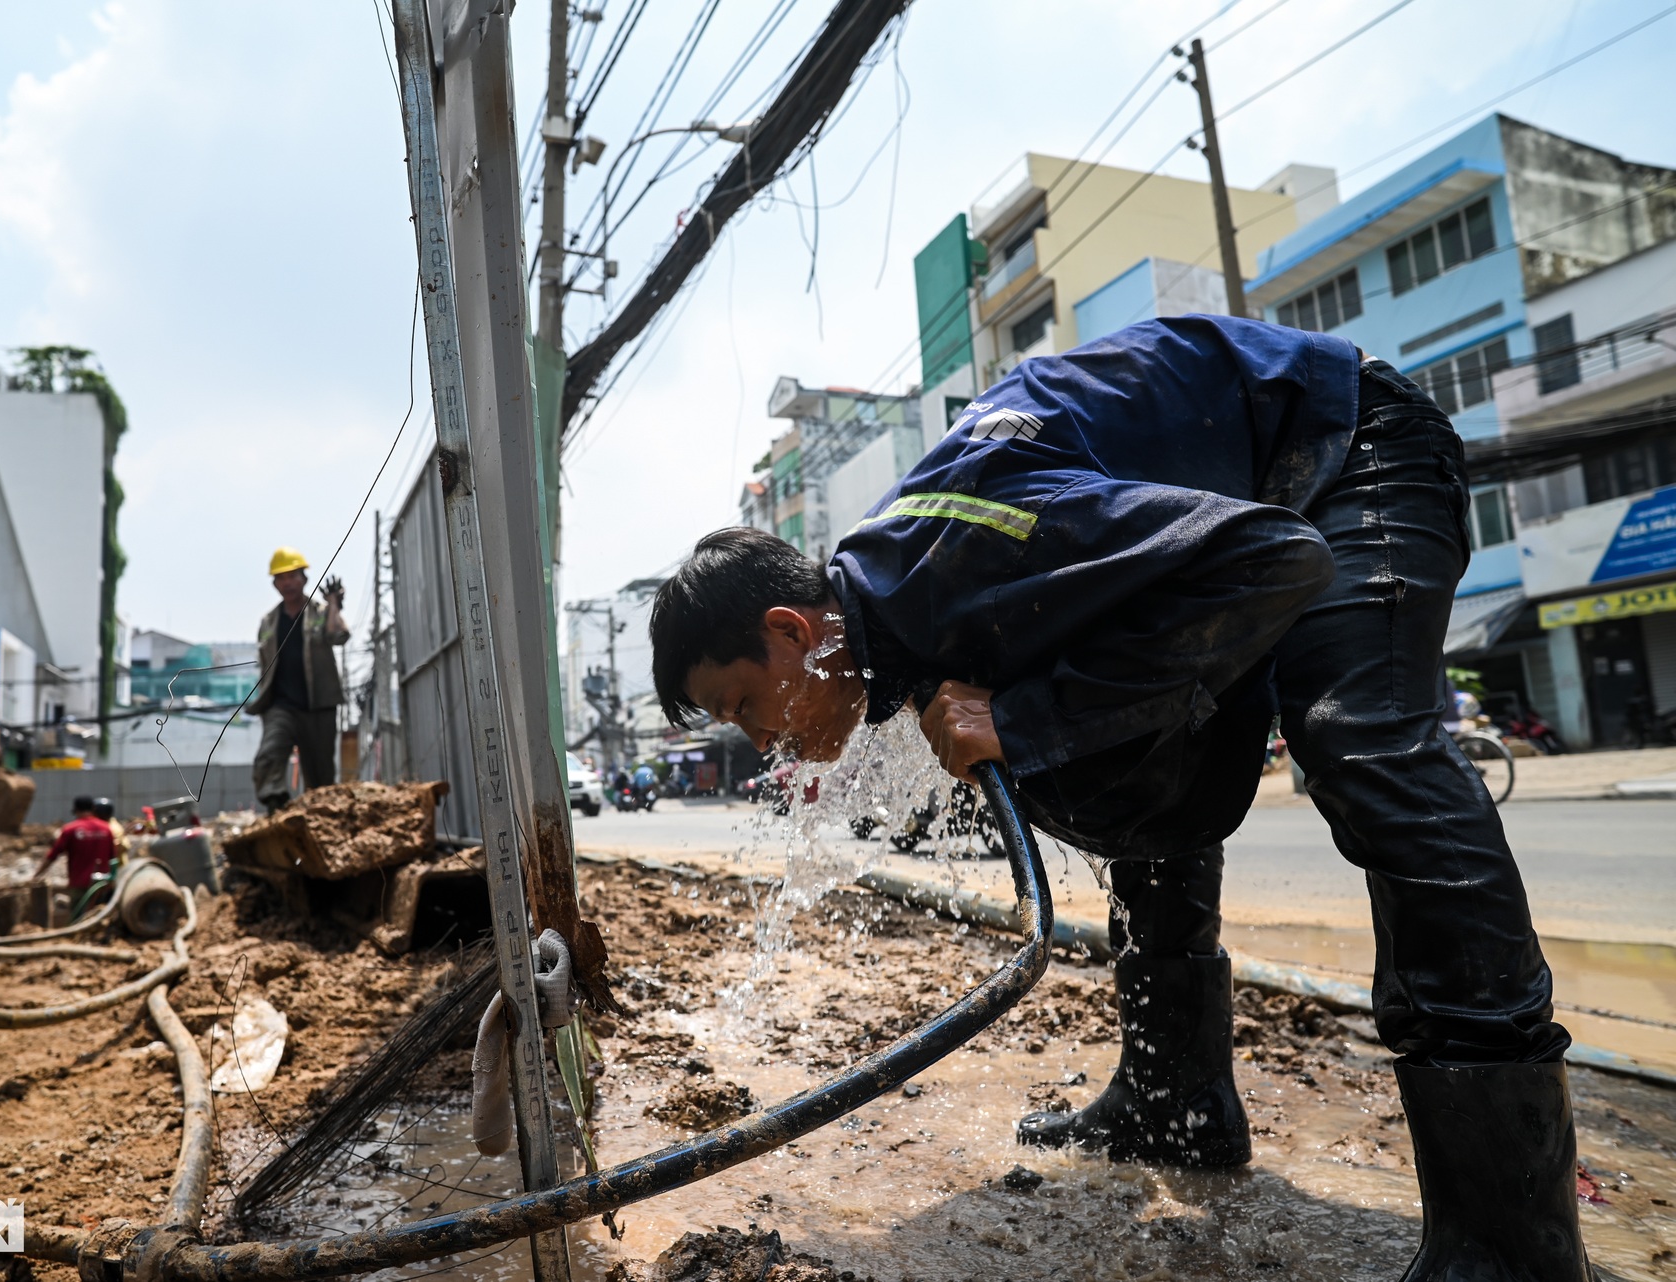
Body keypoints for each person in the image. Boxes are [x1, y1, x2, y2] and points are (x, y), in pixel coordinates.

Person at [648, 316, 1593, 1280]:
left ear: (791, 632)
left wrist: (1023, 717)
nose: (767, 745)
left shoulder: (950, 551)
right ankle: (1175, 1104)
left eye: (747, 708)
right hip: (1258, 496)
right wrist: (1044, 721)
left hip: (1345, 452)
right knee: (1130, 752)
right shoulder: (901, 622)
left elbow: (1277, 560)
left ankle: (1513, 1235)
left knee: (1362, 740)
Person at [249, 546, 349, 813]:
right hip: (281, 705)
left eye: (293, 575)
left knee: (320, 779)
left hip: (318, 706)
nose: (288, 582)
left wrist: (334, 606)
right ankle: (276, 808)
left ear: (304, 579)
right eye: (282, 577)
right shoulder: (269, 621)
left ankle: (321, 821)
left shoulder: (319, 612)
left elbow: (339, 636)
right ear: (275, 584)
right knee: (269, 755)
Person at [35, 796, 116, 893]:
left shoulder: (70, 829)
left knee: (79, 907)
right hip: (102, 885)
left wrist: (37, 875)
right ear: (93, 809)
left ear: (76, 810)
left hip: (79, 885)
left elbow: (53, 855)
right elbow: (113, 858)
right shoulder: (106, 829)